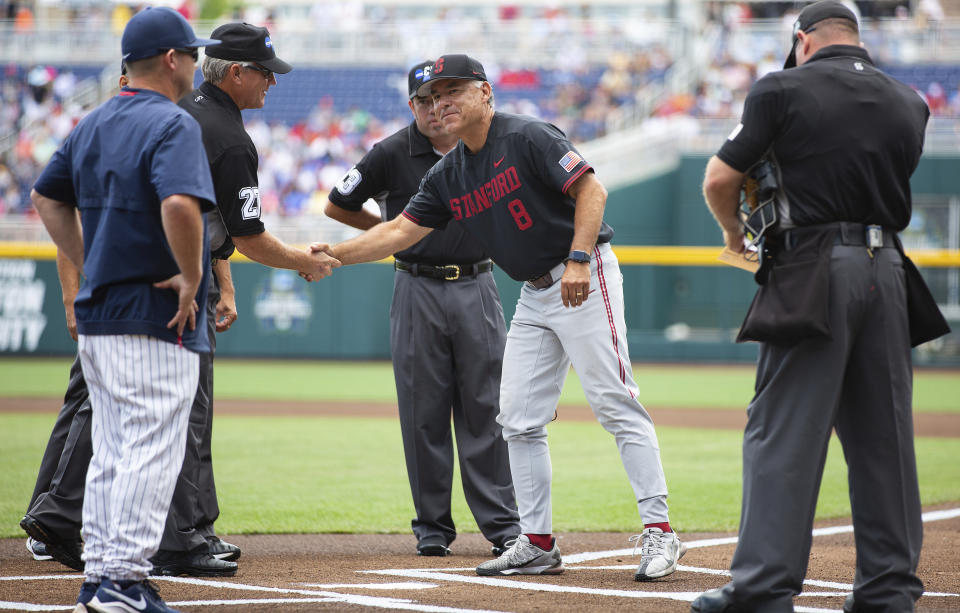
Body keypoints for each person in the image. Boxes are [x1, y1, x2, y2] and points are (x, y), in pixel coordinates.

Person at [311, 54, 684, 581]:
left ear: (486, 93)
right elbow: (397, 234)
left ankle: (660, 531)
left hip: (583, 273)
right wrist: (333, 255)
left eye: (454, 91)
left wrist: (579, 259)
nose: (442, 103)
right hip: (533, 291)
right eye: (434, 96)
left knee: (614, 401)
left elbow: (591, 190)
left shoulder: (528, 136)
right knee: (517, 418)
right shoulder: (448, 174)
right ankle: (536, 541)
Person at [694, 2, 943, 611]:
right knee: (884, 439)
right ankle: (889, 591)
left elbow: (718, 181)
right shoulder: (909, 101)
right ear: (855, 38)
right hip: (888, 271)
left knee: (783, 433)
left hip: (815, 268)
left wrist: (735, 238)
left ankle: (761, 590)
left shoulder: (780, 89)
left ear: (802, 40)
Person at [30, 7, 220, 613]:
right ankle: (122, 582)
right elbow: (181, 206)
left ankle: (104, 573)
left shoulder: (92, 121)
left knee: (114, 450)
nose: (195, 63)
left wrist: (89, 264)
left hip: (100, 316)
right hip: (154, 313)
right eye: (191, 53)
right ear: (171, 60)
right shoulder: (173, 122)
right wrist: (192, 277)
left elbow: (45, 196)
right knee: (150, 450)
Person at [151, 20, 339, 577]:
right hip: (175, 288)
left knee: (115, 408)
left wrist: (224, 281)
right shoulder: (228, 136)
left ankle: (181, 528)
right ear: (236, 73)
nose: (271, 84)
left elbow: (206, 219)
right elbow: (251, 236)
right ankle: (182, 538)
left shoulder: (184, 112)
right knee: (187, 413)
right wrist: (307, 261)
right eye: (265, 73)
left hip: (155, 275)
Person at [324, 61, 520, 557]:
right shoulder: (391, 151)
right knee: (422, 411)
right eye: (423, 100)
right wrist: (386, 230)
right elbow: (336, 204)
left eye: (441, 96)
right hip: (416, 285)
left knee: (486, 408)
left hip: (477, 281)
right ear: (412, 105)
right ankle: (432, 528)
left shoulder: (485, 144)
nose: (434, 108)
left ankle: (502, 527)